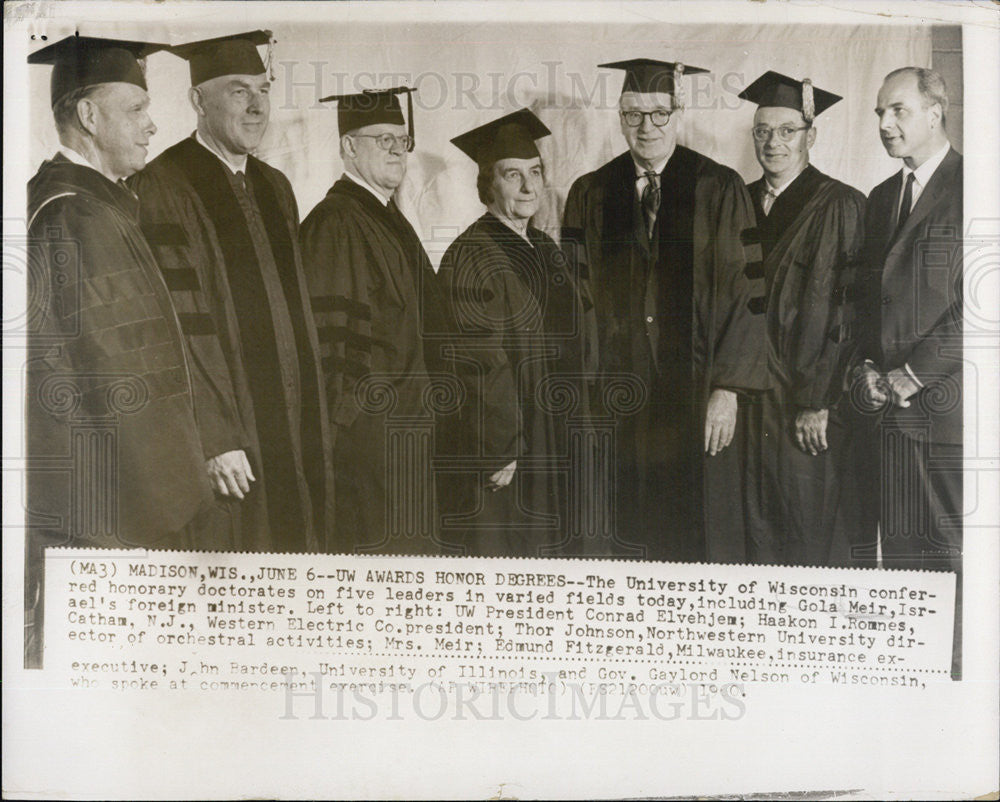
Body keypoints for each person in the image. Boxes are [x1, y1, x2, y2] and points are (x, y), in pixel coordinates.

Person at [25, 35, 213, 664]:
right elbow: (123, 373)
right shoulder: (77, 215)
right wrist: (182, 498)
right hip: (110, 503)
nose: (151, 124)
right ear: (88, 117)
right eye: (134, 108)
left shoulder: (93, 205)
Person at [130, 31, 333, 553]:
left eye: (262, 89)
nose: (257, 105)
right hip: (232, 434)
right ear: (198, 100)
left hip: (295, 417)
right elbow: (178, 324)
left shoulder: (274, 185)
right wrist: (216, 436)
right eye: (239, 91)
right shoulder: (165, 185)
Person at [562, 59, 767, 562]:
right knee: (625, 525)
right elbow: (573, 296)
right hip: (618, 397)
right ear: (619, 116)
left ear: (678, 113)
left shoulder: (718, 187)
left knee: (696, 528)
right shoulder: (590, 191)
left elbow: (748, 292)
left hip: (696, 391)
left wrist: (728, 388)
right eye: (633, 114)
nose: (646, 126)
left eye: (658, 113)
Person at [717, 71, 866, 565]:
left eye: (786, 130)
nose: (772, 142)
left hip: (803, 399)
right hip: (750, 395)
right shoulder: (737, 201)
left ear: (811, 136)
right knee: (750, 529)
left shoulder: (840, 203)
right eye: (762, 131)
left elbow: (845, 313)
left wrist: (817, 401)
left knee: (807, 529)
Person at [437, 108, 600, 557]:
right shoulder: (470, 254)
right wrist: (500, 447)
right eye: (514, 175)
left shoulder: (545, 246)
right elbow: (479, 362)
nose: (530, 187)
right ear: (489, 184)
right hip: (516, 443)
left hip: (556, 431)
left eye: (536, 172)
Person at [299, 86, 448, 554]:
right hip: (368, 443)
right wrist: (348, 432)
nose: (395, 150)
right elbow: (332, 347)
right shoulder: (336, 222)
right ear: (348, 146)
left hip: (405, 433)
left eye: (400, 140)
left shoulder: (385, 215)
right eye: (380, 138)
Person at [852, 66, 962, 675]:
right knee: (900, 570)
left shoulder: (977, 182)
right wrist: (867, 366)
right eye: (878, 114)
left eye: (897, 111)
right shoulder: (880, 198)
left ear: (935, 111)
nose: (885, 124)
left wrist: (915, 374)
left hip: (943, 419)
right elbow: (870, 304)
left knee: (951, 566)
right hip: (887, 421)